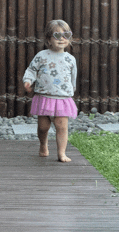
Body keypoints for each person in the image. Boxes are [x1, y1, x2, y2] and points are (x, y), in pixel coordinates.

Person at [23, 20, 78, 162]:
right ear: (48, 39)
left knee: (61, 126)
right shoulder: (42, 56)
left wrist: (72, 90)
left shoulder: (70, 59)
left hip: (62, 97)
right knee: (43, 127)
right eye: (57, 35)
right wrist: (28, 81)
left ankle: (61, 153)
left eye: (66, 35)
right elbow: (32, 69)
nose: (62, 39)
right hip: (44, 96)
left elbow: (73, 77)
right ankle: (43, 144)